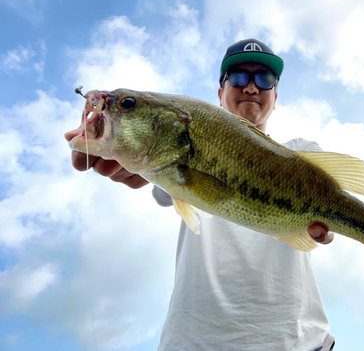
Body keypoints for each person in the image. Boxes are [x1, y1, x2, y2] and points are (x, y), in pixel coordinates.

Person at [67, 38, 335, 351]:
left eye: (264, 79)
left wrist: (328, 231)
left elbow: (329, 211)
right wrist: (129, 161)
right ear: (221, 94)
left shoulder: (302, 152)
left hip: (297, 341)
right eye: (237, 77)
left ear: (275, 96)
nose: (250, 87)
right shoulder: (176, 160)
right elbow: (157, 180)